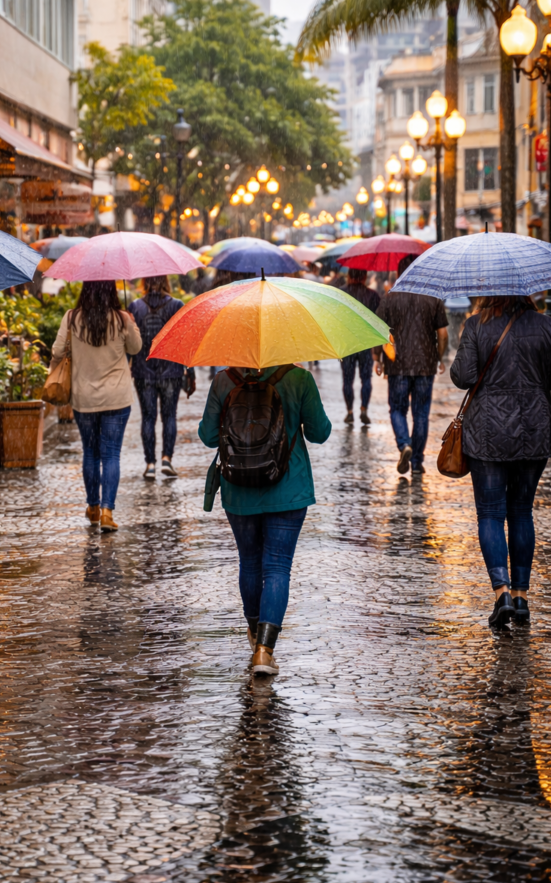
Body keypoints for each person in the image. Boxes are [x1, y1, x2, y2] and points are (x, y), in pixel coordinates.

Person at [450, 295, 551, 627]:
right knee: (521, 511)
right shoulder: (546, 325)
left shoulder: (477, 326)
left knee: (491, 513)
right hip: (533, 431)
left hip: (488, 433)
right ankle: (521, 598)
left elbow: (462, 376)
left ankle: (501, 592)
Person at [198, 365, 331, 676]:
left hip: (238, 489)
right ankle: (264, 651)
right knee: (277, 566)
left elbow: (207, 436)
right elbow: (319, 433)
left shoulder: (223, 380)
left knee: (249, 561)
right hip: (289, 485)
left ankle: (255, 632)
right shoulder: (299, 379)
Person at [51, 281, 141, 531]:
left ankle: (92, 506)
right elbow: (136, 348)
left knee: (91, 452)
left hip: (84, 397)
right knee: (111, 454)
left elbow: (57, 351)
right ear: (112, 290)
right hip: (117, 398)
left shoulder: (72, 318)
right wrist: (130, 322)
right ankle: (107, 512)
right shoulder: (121, 318)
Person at [375, 254, 449, 475]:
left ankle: (404, 444)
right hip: (425, 365)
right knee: (421, 413)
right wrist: (439, 357)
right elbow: (443, 334)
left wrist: (376, 358)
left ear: (399, 274)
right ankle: (417, 462)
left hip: (397, 365)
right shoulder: (432, 298)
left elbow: (379, 330)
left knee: (397, 409)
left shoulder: (390, 298)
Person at [129, 276, 196, 480]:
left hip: (143, 371)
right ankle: (167, 458)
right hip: (172, 371)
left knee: (148, 418)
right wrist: (190, 372)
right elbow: (185, 342)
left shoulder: (135, 307)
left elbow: (131, 344)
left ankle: (150, 464)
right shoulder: (176, 306)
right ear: (166, 281)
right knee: (169, 416)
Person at [338, 268, 380, 424]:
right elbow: (378, 321)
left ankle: (349, 412)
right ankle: (364, 409)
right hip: (365, 343)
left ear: (349, 276)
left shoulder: (340, 294)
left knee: (347, 380)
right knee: (366, 379)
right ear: (365, 277)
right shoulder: (372, 295)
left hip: (347, 344)